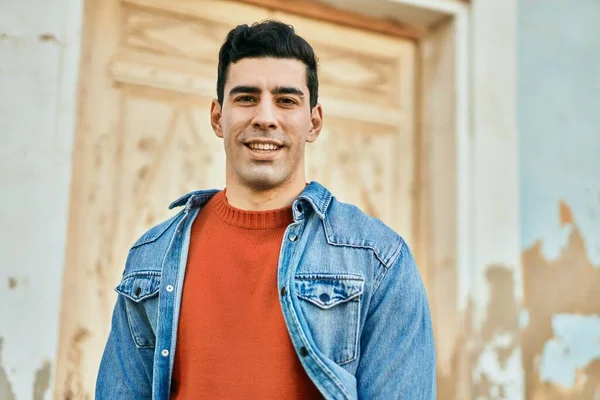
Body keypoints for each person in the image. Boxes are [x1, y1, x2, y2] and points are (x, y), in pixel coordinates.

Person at [96, 20, 436, 399]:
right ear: (217, 118)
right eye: (245, 98)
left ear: (314, 122)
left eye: (286, 100)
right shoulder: (152, 256)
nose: (265, 117)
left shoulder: (378, 259)